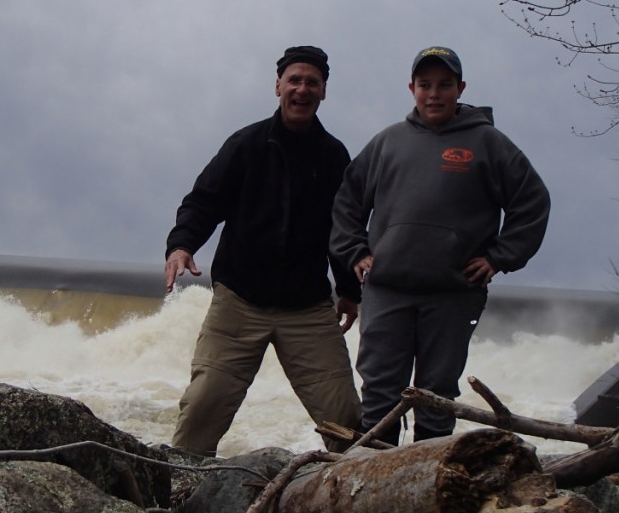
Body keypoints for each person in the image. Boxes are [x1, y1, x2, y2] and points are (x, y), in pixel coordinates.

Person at [330, 46, 551, 445]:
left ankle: (430, 480)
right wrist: (355, 252)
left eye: (444, 85)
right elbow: (346, 202)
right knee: (379, 392)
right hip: (387, 288)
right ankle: (372, 479)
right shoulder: (387, 142)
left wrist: (500, 256)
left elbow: (532, 202)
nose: (434, 94)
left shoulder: (489, 143)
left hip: (453, 294)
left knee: (437, 395)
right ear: (411, 88)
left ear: (460, 88)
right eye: (425, 85)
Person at [164, 45, 362, 457]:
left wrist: (348, 290)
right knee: (203, 405)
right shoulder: (247, 144)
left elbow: (342, 229)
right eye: (295, 80)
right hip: (239, 301)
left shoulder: (334, 156)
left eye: (312, 82)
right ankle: (179, 488)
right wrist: (181, 245)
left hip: (307, 310)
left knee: (346, 419)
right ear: (278, 86)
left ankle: (351, 496)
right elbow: (203, 202)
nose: (302, 89)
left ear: (324, 91)